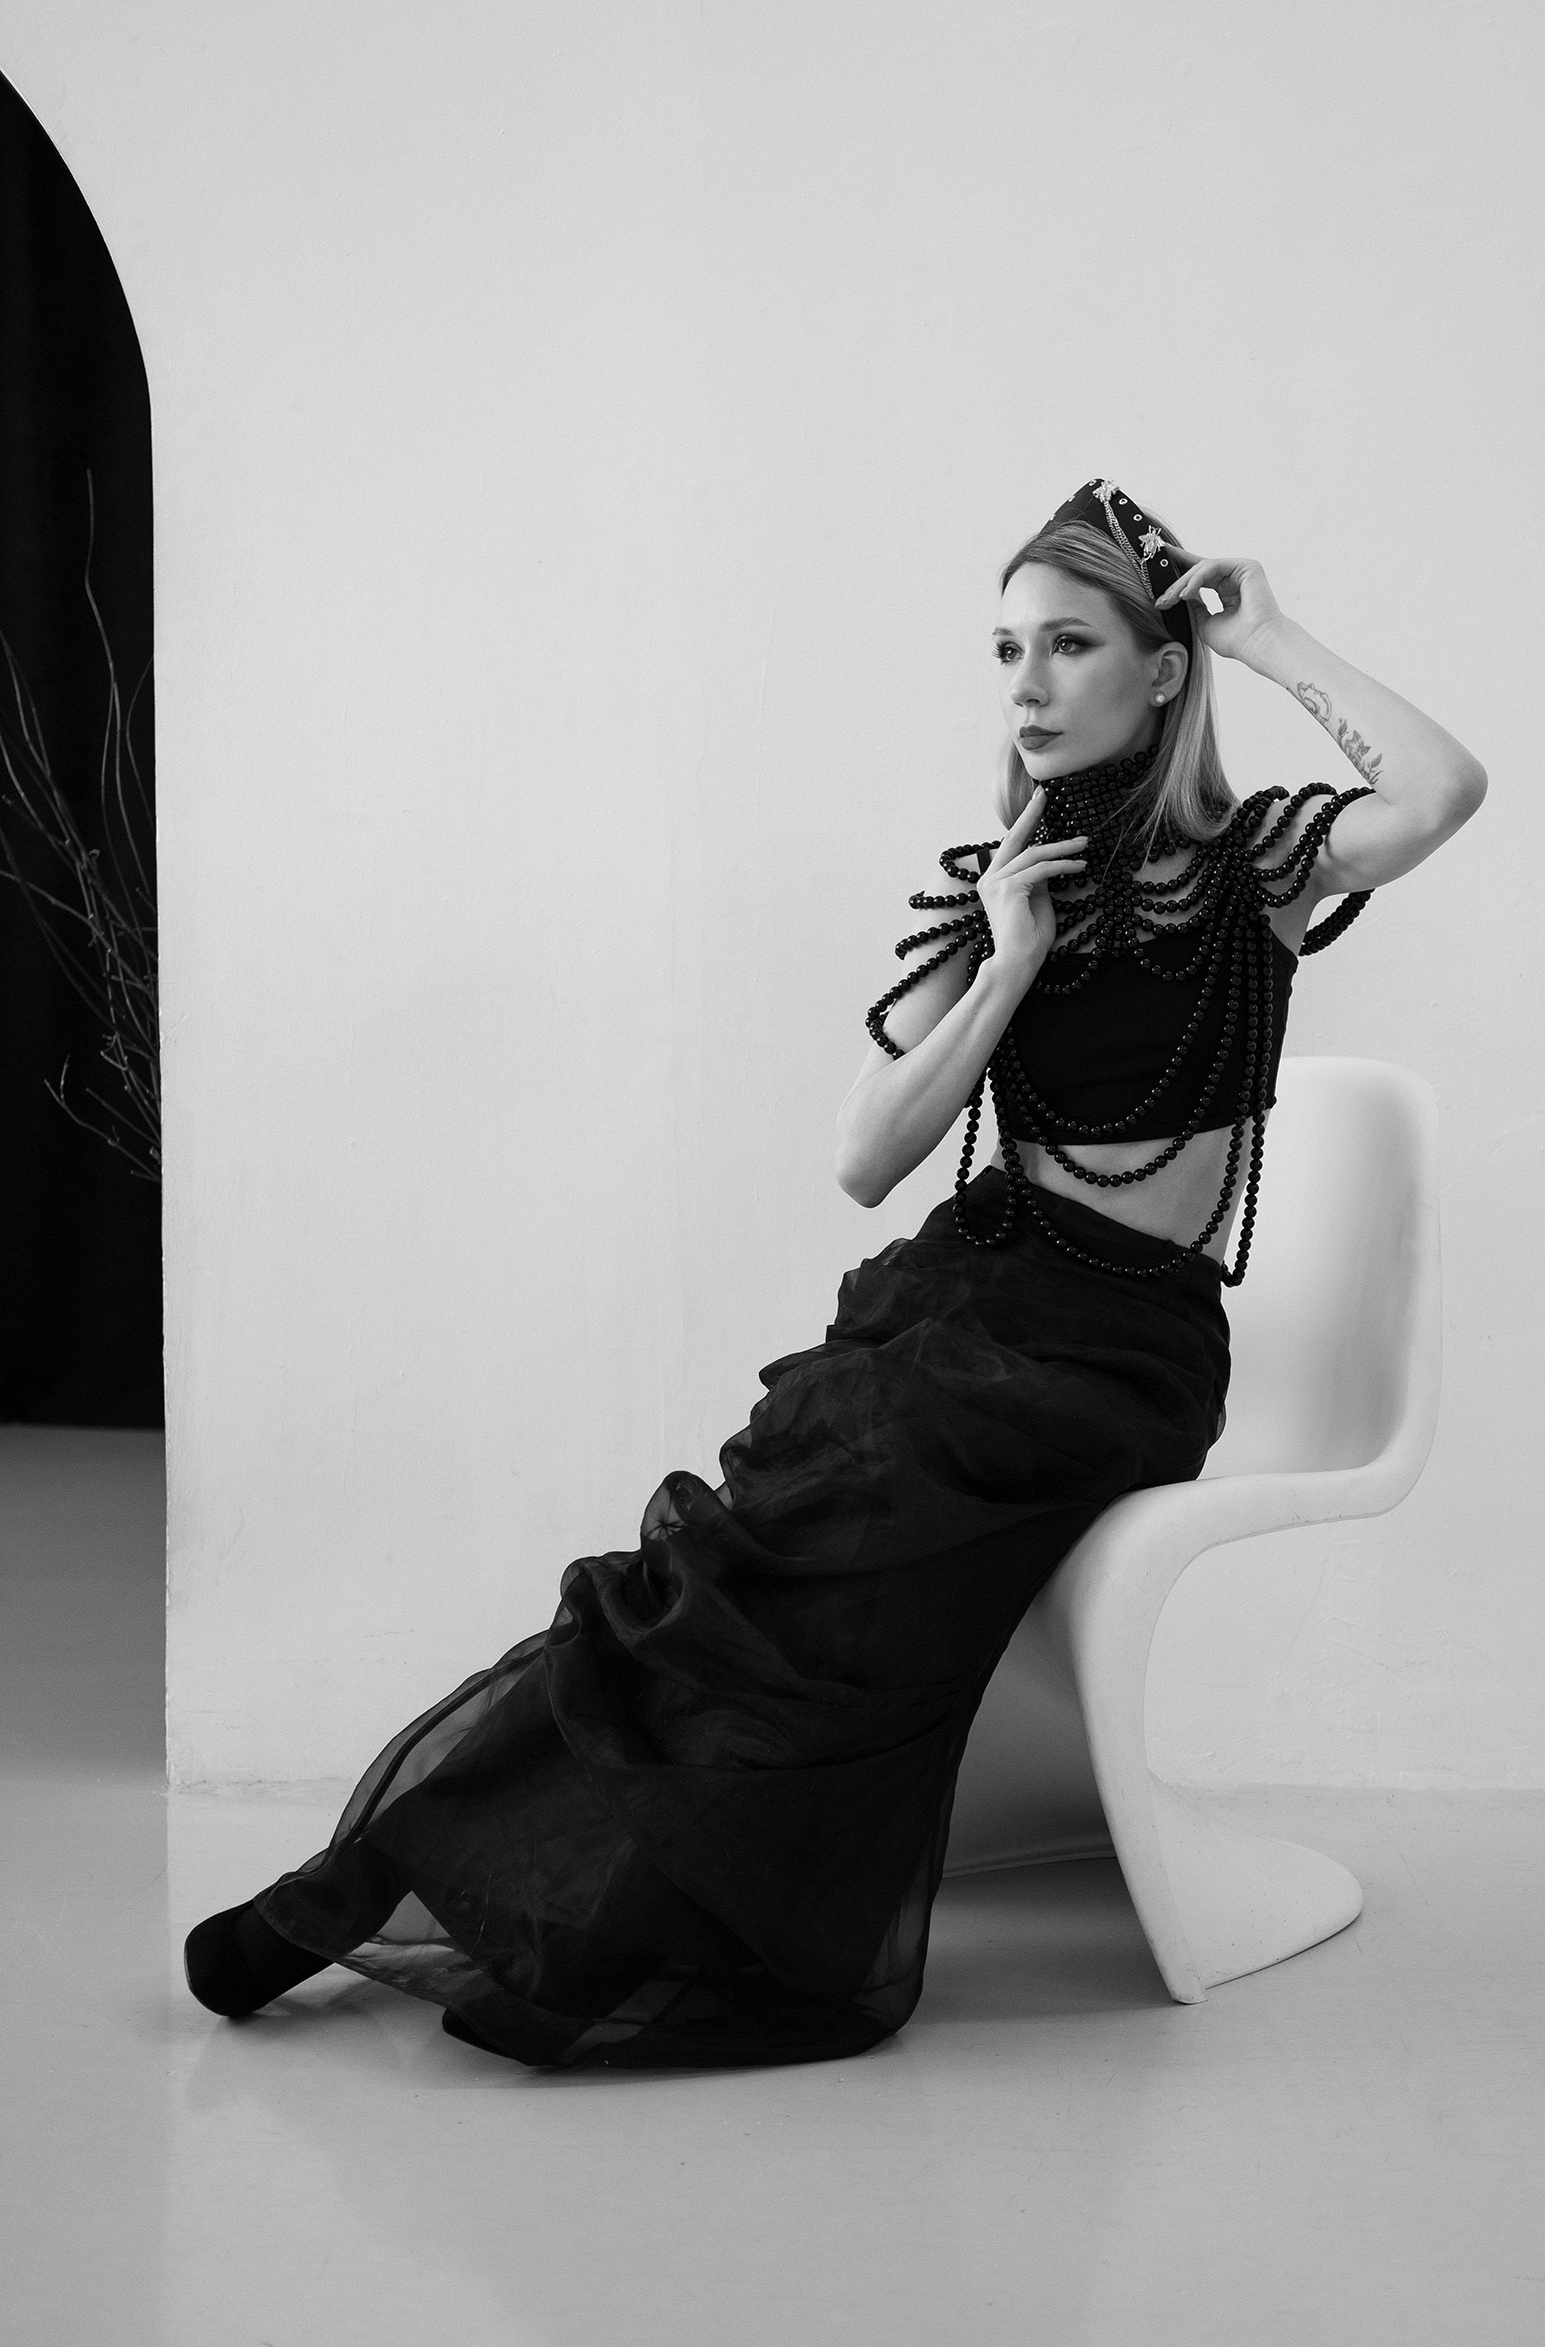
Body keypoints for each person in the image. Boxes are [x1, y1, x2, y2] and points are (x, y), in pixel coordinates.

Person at [184, 479, 1485, 2070]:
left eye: (1068, 645)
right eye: (1004, 649)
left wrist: (1267, 637)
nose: (1024, 684)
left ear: (1159, 670)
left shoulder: (1251, 868)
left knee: (849, 1507)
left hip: (1121, 1350)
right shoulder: (996, 885)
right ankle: (377, 1875)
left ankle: (612, 1910)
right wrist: (1006, 964)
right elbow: (867, 1156)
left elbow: (1440, 788)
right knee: (732, 1557)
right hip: (968, 1294)